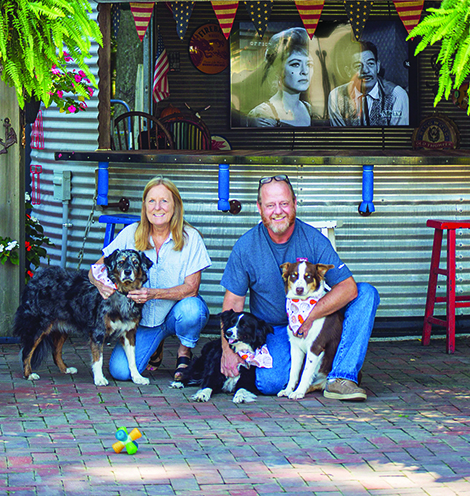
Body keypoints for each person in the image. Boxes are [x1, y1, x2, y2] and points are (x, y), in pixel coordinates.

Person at [220, 174, 379, 400]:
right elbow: (233, 305)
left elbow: (348, 288)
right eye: (270, 205)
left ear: (294, 203)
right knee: (270, 383)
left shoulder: (313, 239)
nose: (278, 211)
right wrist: (228, 351)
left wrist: (310, 317)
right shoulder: (246, 246)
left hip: (316, 320)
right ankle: (317, 375)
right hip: (275, 328)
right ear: (259, 208)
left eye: (284, 203)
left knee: (366, 294)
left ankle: (342, 377)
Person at [89, 176, 210, 382]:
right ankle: (155, 346)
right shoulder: (131, 233)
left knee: (193, 311)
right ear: (144, 206)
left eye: (164, 201)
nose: (158, 207)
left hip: (174, 313)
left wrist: (153, 294)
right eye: (151, 201)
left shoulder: (191, 238)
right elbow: (95, 270)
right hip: (141, 321)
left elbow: (192, 288)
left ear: (175, 206)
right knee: (121, 372)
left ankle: (184, 353)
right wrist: (99, 283)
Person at [328, 40, 409, 126]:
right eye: (358, 66)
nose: (365, 70)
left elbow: (398, 137)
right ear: (348, 71)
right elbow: (340, 137)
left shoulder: (397, 95)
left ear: (377, 67)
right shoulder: (336, 96)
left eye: (370, 64)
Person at [247, 27, 314, 127]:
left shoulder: (308, 108)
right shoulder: (262, 115)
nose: (305, 72)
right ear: (278, 70)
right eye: (295, 64)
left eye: (309, 65)